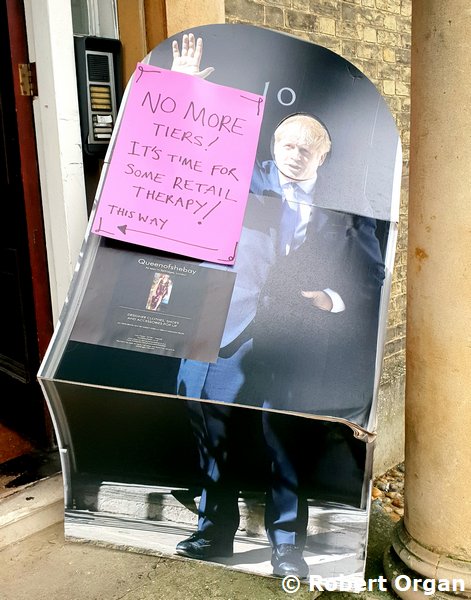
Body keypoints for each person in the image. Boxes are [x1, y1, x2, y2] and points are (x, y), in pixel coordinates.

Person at [171, 34, 385, 579]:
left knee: (285, 441)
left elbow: (370, 274)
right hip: (227, 328)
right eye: (288, 144)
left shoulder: (346, 207)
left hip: (294, 336)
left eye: (307, 147)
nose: (296, 153)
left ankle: (287, 546)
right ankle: (212, 532)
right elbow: (189, 156)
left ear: (323, 156)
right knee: (214, 434)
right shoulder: (238, 179)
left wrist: (331, 298)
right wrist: (185, 89)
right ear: (274, 145)